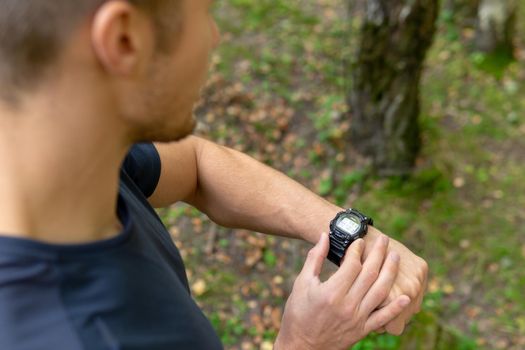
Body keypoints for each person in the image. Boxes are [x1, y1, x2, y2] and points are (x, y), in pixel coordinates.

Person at [0, 0, 428, 349]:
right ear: (124, 41)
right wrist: (304, 342)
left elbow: (196, 167)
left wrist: (347, 234)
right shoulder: (79, 333)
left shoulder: (57, 143)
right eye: (204, 13)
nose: (216, 37)